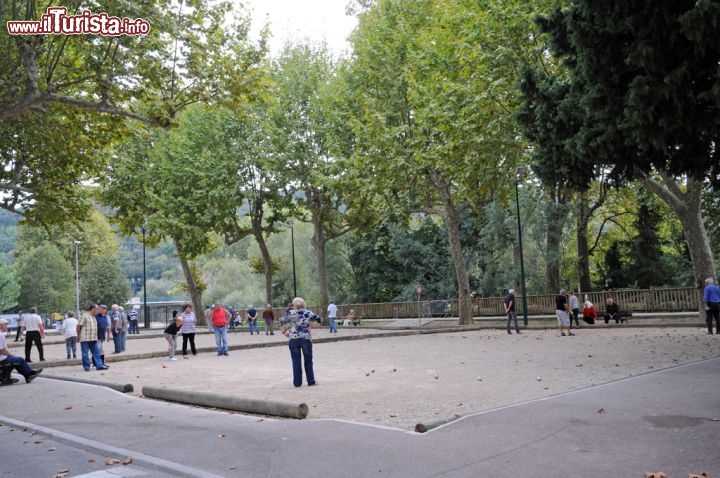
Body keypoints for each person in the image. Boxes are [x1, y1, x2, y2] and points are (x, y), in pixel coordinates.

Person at [278, 297, 323, 387]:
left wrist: (285, 333)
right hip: (305, 338)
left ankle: (297, 383)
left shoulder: (290, 313)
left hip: (293, 339)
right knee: (308, 360)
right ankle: (311, 381)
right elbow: (320, 320)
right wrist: (311, 326)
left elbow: (280, 322)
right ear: (303, 304)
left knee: (296, 361)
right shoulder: (308, 312)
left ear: (294, 304)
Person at [0, 318, 43, 384]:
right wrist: (11, 355)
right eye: (5, 325)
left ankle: (7, 377)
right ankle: (29, 374)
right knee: (19, 359)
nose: (6, 326)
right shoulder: (1, 335)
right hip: (1, 359)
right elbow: (2, 351)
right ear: (1, 325)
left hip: (2, 358)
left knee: (15, 359)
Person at [77, 304, 108, 371]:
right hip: (85, 338)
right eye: (97, 309)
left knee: (97, 353)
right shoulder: (85, 315)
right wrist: (78, 335)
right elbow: (79, 326)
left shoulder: (94, 317)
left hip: (93, 338)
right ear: (93, 309)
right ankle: (87, 367)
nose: (98, 311)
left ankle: (99, 366)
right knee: (85, 354)